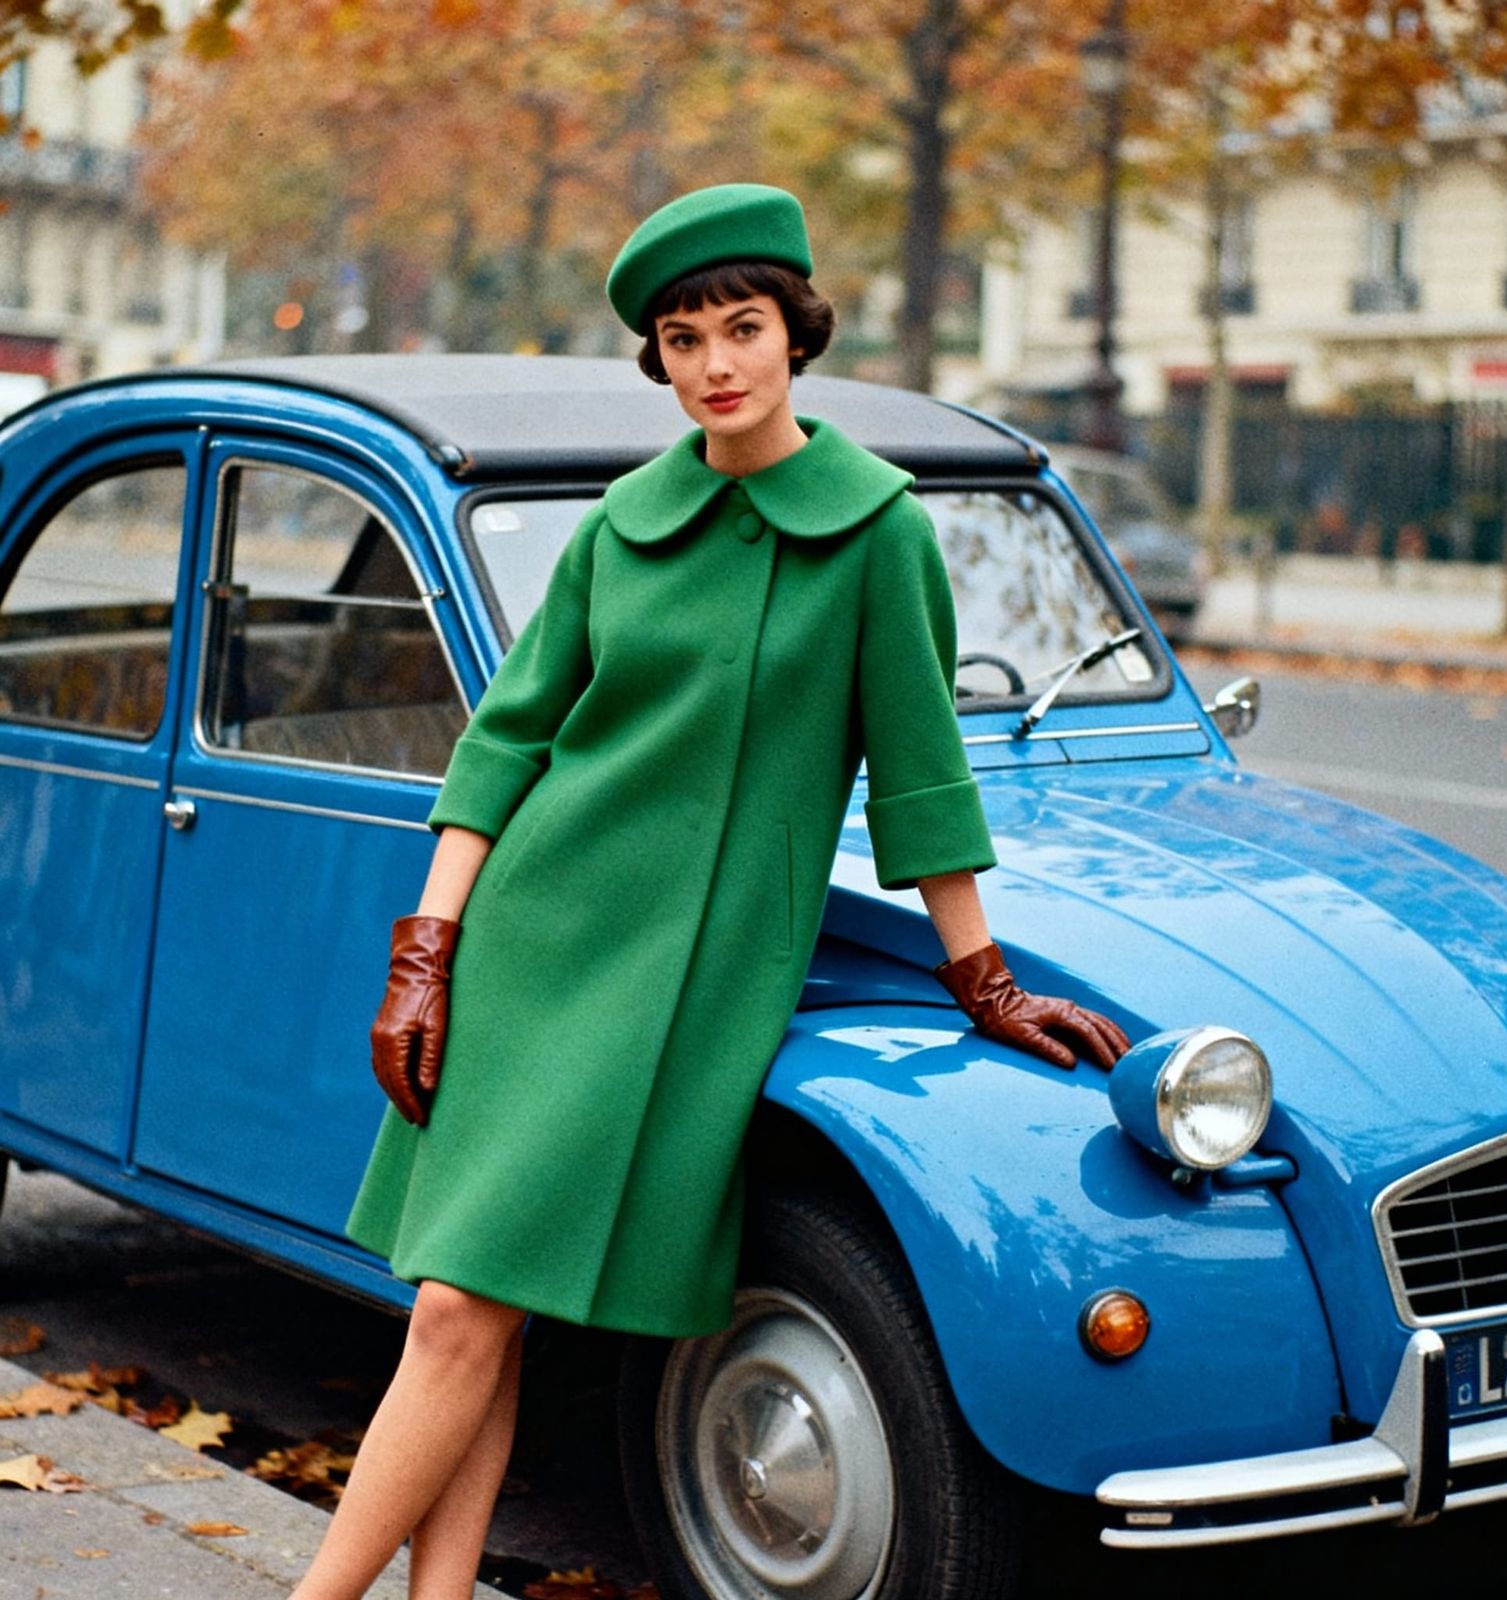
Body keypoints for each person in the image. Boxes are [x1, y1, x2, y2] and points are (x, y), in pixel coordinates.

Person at [289, 183, 1130, 1600]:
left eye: (741, 327)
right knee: (466, 1315)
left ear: (795, 336)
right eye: (683, 338)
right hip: (529, 943)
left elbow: (923, 780)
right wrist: (427, 947)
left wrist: (981, 976)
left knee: (469, 1309)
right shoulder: (624, 523)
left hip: (681, 990)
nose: (714, 363)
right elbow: (508, 738)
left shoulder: (877, 534)